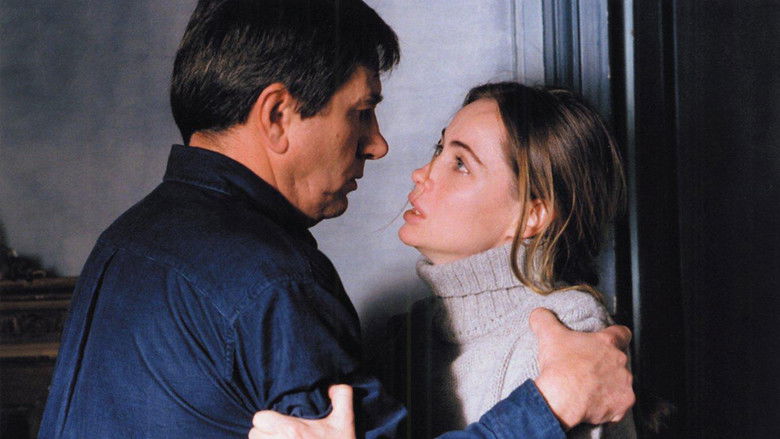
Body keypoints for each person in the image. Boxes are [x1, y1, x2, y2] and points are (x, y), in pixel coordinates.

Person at [39, 1, 633, 438]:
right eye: (361, 111)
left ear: (536, 213)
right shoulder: (272, 284)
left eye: (459, 162)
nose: (379, 146)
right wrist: (551, 404)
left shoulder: (123, 244)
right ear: (277, 115)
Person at [247, 83, 637, 439]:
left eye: (461, 163)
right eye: (440, 149)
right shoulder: (408, 335)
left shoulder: (570, 330)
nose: (422, 174)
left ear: (532, 214)